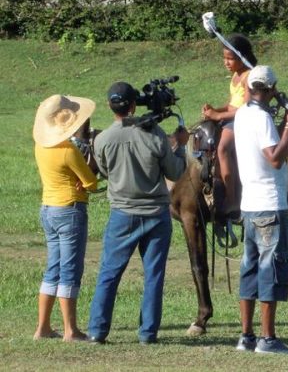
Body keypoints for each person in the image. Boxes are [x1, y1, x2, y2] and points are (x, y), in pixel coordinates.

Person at [87, 82, 189, 344]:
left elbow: (106, 172)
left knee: (109, 273)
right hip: (156, 214)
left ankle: (97, 331)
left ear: (111, 106)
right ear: (134, 105)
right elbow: (175, 173)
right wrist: (180, 146)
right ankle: (147, 333)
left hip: (122, 213)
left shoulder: (102, 139)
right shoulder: (155, 135)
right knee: (153, 275)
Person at [233, 65, 288, 355]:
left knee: (249, 269)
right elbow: (275, 159)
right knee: (270, 269)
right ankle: (268, 339)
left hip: (249, 204)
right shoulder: (262, 119)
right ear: (271, 89)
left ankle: (246, 337)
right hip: (269, 205)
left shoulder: (242, 114)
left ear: (250, 87)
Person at [33, 94, 98, 342]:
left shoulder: (40, 145)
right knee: (70, 270)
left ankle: (43, 327)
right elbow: (90, 182)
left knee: (53, 268)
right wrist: (86, 183)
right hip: (70, 210)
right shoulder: (68, 150)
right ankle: (70, 330)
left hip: (48, 208)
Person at [202, 33, 258, 219]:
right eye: (224, 58)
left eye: (230, 58)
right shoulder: (236, 75)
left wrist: (218, 115)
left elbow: (245, 108)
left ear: (242, 57)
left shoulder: (249, 76)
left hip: (243, 119)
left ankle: (233, 197)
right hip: (233, 116)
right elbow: (231, 104)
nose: (226, 62)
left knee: (223, 148)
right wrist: (214, 111)